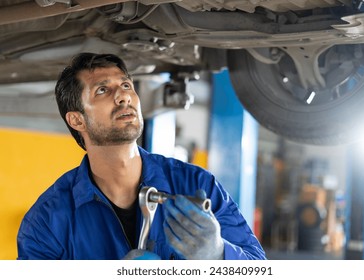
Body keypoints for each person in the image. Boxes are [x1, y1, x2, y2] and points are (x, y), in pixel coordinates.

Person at [17, 53, 267, 260]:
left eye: (126, 85)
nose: (123, 95)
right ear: (77, 119)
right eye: (102, 90)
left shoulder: (197, 184)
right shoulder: (49, 219)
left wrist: (220, 256)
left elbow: (258, 267)